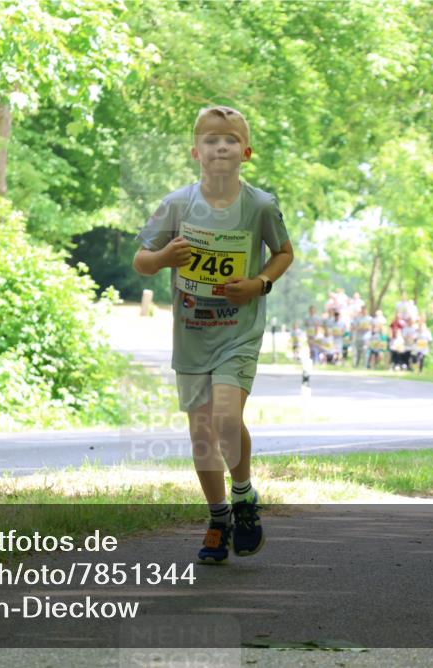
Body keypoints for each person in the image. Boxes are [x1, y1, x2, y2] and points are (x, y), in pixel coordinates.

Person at [132, 105, 293, 563]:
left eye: (229, 139)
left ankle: (243, 498)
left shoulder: (259, 205)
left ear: (245, 152)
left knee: (225, 417)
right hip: (192, 334)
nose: (220, 146)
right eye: (210, 139)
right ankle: (218, 516)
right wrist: (164, 257)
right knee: (202, 434)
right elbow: (141, 260)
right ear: (195, 152)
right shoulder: (177, 205)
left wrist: (259, 283)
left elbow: (283, 252)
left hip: (238, 331)